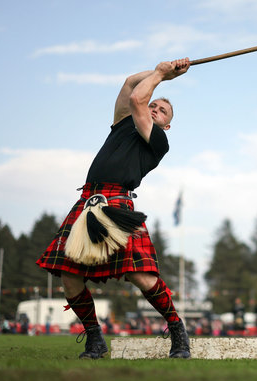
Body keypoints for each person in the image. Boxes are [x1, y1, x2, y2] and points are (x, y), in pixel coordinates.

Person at [36, 58, 191, 359]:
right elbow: (130, 85)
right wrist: (164, 75)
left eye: (163, 111)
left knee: (142, 276)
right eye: (154, 105)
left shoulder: (157, 140)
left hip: (118, 204)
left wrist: (159, 75)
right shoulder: (122, 124)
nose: (155, 109)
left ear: (167, 124)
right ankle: (95, 339)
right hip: (88, 202)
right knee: (69, 274)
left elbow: (138, 98)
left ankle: (177, 331)